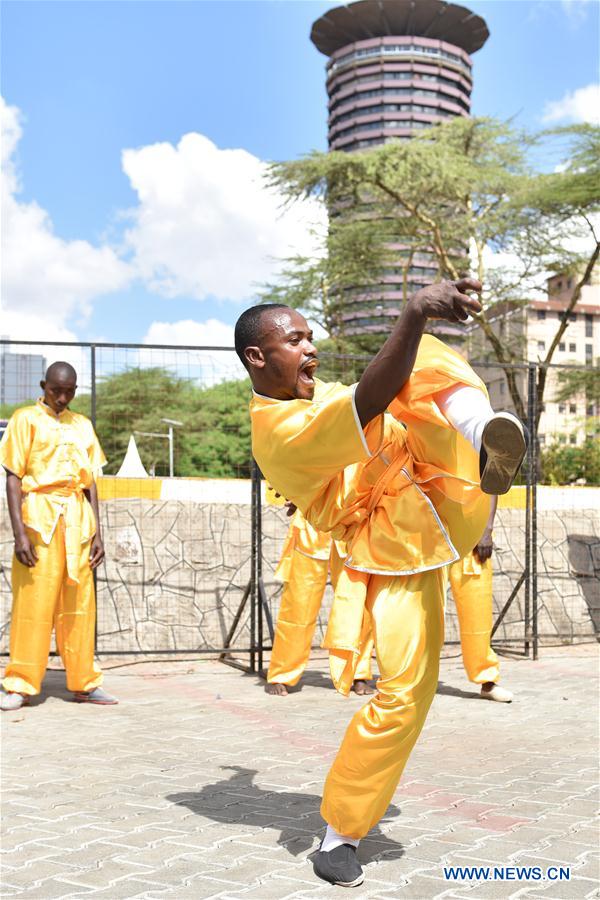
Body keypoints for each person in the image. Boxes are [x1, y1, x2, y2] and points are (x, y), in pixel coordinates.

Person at [235, 279, 527, 888]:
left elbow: (380, 394)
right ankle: (339, 834)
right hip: (391, 541)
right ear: (257, 358)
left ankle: (484, 431)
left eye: (312, 336)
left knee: (416, 359)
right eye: (296, 340)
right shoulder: (276, 428)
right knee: (405, 696)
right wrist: (414, 310)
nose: (311, 347)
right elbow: (367, 400)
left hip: (440, 480)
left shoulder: (309, 398)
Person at [0, 362, 117, 711]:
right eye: (56, 390)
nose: (62, 397)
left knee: (80, 606)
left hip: (79, 523)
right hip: (40, 520)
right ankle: (20, 684)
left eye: (69, 391)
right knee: (34, 605)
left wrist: (98, 533)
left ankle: (84, 682)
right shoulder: (25, 419)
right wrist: (19, 534)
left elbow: (91, 481)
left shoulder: (82, 425)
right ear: (44, 386)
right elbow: (12, 477)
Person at [266, 509, 375, 696]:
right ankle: (281, 674)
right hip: (311, 527)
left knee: (357, 607)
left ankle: (358, 674)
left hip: (350, 527)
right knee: (297, 607)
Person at [449, 496, 513, 702]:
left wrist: (486, 530)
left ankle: (487, 681)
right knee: (418, 612)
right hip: (429, 535)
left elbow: (491, 483)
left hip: (470, 535)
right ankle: (405, 680)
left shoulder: (477, 460)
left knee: (477, 612)